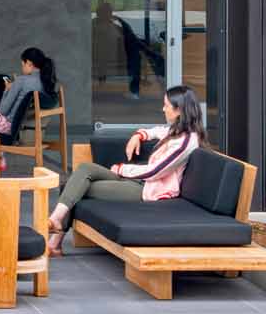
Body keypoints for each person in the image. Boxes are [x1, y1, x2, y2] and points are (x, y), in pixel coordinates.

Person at [45, 83, 203, 242]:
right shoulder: (177, 130)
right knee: (85, 169)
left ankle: (55, 236)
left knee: (78, 185)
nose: (163, 109)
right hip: (138, 180)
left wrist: (122, 169)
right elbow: (155, 131)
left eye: (166, 105)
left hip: (146, 189)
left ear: (178, 110)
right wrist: (138, 136)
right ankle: (56, 222)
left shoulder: (186, 142)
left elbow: (155, 171)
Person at [0, 47, 61, 140]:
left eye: (22, 64)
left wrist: (7, 90)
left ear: (29, 63)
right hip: (29, 131)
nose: (22, 67)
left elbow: (3, 111)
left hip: (7, 129)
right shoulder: (48, 83)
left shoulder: (22, 80)